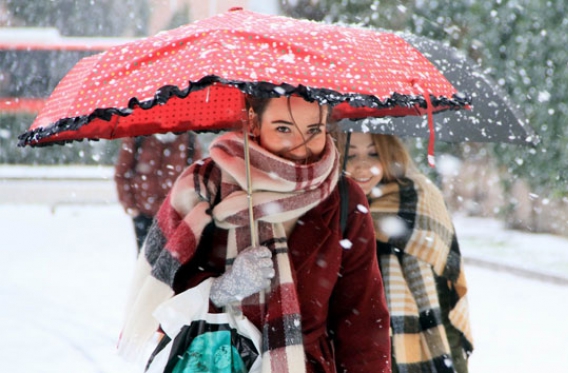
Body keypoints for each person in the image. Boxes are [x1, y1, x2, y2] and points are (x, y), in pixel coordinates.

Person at [118, 96, 391, 373]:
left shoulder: (342, 197)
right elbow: (161, 300)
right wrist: (223, 289)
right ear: (254, 122)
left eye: (314, 130)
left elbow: (363, 320)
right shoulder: (203, 187)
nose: (300, 146)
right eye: (283, 128)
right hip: (219, 360)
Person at [338, 132, 474, 373]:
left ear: (390, 155)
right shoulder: (331, 209)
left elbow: (442, 295)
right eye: (350, 155)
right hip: (354, 346)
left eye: (374, 153)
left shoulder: (421, 199)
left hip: (417, 349)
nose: (362, 165)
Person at [114, 132, 202, 252]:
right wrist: (130, 205)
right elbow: (121, 173)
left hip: (175, 213)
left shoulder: (188, 139)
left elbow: (197, 176)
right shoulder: (138, 136)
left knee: (174, 260)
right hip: (144, 212)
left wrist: (190, 206)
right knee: (145, 261)